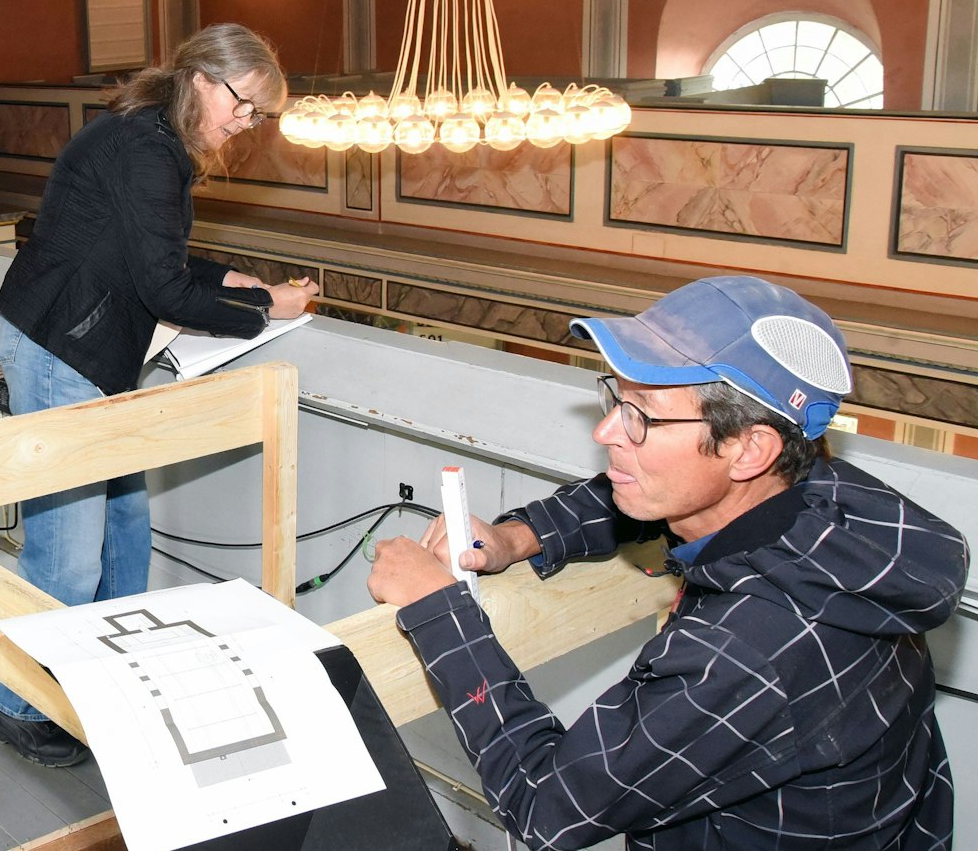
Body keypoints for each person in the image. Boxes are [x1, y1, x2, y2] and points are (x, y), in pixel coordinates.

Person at [367, 275, 967, 849]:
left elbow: (545, 804)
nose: (606, 431)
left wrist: (436, 609)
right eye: (615, 399)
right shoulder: (832, 501)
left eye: (642, 415)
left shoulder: (745, 650)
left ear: (751, 448)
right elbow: (655, 497)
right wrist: (517, 537)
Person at [0, 23, 321, 767]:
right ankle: (18, 706)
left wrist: (229, 277)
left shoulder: (149, 138)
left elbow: (145, 247)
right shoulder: (147, 149)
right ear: (202, 80)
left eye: (259, 114)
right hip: (59, 350)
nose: (246, 122)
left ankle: (103, 676)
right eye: (244, 103)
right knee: (65, 555)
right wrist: (270, 306)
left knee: (125, 529)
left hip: (82, 350)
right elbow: (159, 284)